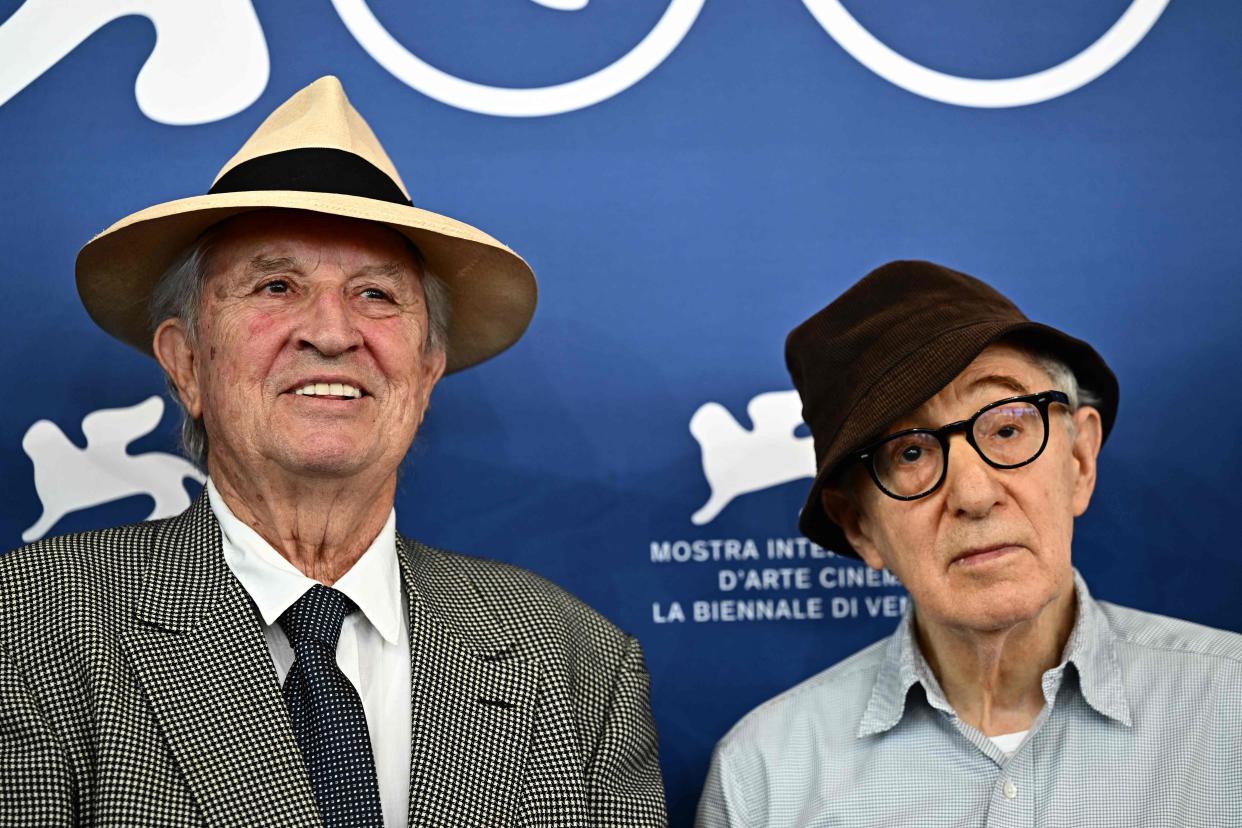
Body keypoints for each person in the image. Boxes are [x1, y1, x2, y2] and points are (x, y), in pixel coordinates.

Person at [0, 76, 666, 827]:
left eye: (376, 294)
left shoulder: (577, 660)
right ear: (186, 362)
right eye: (276, 285)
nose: (332, 332)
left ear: (425, 369)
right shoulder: (27, 629)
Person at [696, 260, 1242, 826]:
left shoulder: (1231, 708)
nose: (974, 494)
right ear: (860, 525)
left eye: (1007, 428)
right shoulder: (764, 776)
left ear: (1079, 461)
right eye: (910, 453)